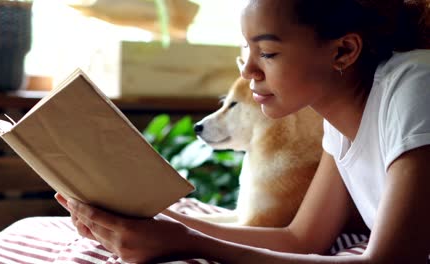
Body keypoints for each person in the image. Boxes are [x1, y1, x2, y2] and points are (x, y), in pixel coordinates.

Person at [55, 0, 430, 263]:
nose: (248, 70)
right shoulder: (343, 115)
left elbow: (392, 260)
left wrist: (189, 243)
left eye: (266, 52)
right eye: (245, 50)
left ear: (343, 51)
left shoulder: (416, 86)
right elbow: (301, 239)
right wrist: (145, 217)